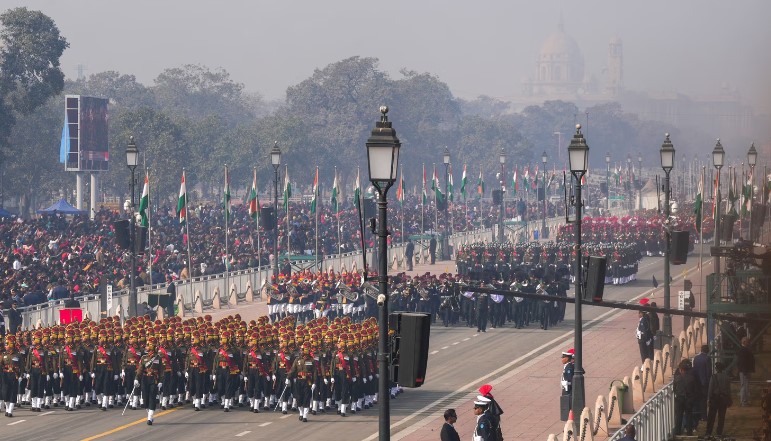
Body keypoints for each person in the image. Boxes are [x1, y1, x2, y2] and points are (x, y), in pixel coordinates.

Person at [705, 361, 732, 436]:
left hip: (714, 399)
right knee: (721, 417)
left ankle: (708, 432)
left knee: (711, 417)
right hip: (724, 399)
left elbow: (710, 389)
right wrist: (729, 399)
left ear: (716, 369)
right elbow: (728, 390)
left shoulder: (713, 377)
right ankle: (719, 432)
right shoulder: (727, 378)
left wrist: (708, 398)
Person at [673, 359, 697, 436]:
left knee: (679, 416)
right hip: (689, 399)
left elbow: (674, 389)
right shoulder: (691, 378)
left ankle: (678, 432)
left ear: (681, 370)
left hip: (679, 399)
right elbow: (694, 389)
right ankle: (689, 432)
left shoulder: (677, 378)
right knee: (689, 415)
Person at [691, 344, 711, 423]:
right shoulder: (707, 359)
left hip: (696, 381)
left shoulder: (696, 358)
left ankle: (698, 416)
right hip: (704, 382)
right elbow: (708, 371)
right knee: (703, 400)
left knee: (698, 399)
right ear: (708, 350)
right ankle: (704, 416)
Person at [736, 336, 755, 406]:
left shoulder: (742, 349)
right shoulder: (743, 350)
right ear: (744, 342)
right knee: (744, 386)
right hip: (745, 370)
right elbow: (742, 361)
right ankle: (744, 401)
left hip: (744, 370)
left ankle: (744, 401)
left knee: (744, 385)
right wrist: (744, 370)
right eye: (747, 341)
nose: (749, 343)